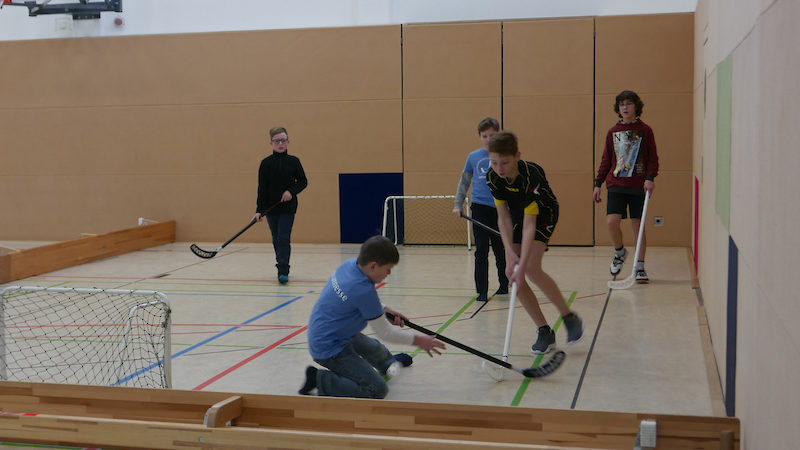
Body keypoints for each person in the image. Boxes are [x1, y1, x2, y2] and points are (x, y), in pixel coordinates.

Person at [299, 235, 445, 398]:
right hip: (329, 349)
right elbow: (385, 333)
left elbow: (355, 299)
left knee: (374, 348)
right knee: (376, 389)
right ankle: (320, 380)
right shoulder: (363, 290)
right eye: (388, 269)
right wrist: (420, 341)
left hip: (332, 333)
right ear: (373, 266)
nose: (388, 274)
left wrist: (385, 310)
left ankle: (387, 364)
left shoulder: (349, 266)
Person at [486, 131, 583, 354]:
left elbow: (531, 225)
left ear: (517, 156)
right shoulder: (492, 177)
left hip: (544, 214)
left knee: (529, 267)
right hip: (518, 214)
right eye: (494, 162)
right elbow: (503, 217)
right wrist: (510, 254)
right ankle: (544, 331)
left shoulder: (531, 175)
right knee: (513, 272)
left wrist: (520, 263)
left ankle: (569, 317)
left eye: (505, 163)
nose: (499, 169)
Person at [592, 90, 659, 283]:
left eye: (629, 104)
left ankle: (639, 266)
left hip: (638, 185)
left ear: (636, 106)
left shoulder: (645, 130)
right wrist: (598, 183)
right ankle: (620, 252)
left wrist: (650, 177)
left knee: (638, 227)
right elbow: (607, 159)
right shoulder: (613, 132)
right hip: (616, 184)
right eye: (622, 104)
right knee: (612, 222)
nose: (625, 107)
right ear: (618, 108)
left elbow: (652, 158)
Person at [452, 117, 509, 302]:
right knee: (481, 250)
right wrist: (457, 204)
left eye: (492, 135)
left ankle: (504, 284)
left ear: (498, 135)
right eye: (484, 136)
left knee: (501, 249)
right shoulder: (473, 157)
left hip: (500, 209)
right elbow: (464, 182)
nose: (488, 139)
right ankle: (482, 290)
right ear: (480, 137)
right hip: (479, 208)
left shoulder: (506, 156)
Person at [254, 126, 308, 284]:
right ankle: (281, 264)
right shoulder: (265, 164)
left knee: (283, 237)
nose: (280, 143)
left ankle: (283, 269)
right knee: (276, 239)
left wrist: (291, 192)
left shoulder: (294, 161)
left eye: (283, 140)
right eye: (277, 141)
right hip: (271, 208)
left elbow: (303, 182)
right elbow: (261, 189)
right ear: (271, 143)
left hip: (288, 207)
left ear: (288, 141)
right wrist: (259, 210)